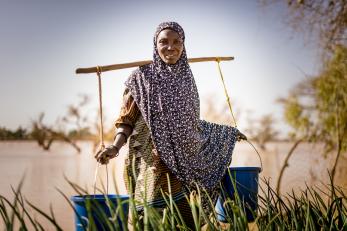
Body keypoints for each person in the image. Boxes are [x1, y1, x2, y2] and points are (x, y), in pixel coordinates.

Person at [95, 21, 246, 228]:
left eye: (177, 42)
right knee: (150, 220)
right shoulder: (141, 78)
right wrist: (115, 146)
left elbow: (189, 125)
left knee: (186, 222)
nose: (170, 47)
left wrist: (226, 133)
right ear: (155, 45)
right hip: (151, 162)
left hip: (182, 163)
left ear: (184, 45)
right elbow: (126, 119)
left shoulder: (186, 79)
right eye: (163, 42)